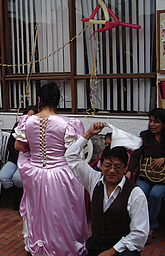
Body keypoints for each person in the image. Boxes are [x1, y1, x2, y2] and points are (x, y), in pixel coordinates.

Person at [14, 82, 88, 255]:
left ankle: (38, 244)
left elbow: (19, 146)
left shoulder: (28, 120)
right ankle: (60, 246)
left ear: (39, 99)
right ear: (57, 101)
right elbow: (72, 152)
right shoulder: (67, 123)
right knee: (60, 213)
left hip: (35, 173)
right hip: (60, 174)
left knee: (37, 211)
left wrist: (34, 150)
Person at [65, 122, 149, 255]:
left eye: (117, 166)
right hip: (97, 245)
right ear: (101, 165)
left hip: (122, 249)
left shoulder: (135, 193)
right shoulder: (94, 179)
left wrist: (111, 252)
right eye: (108, 165)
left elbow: (139, 234)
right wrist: (89, 134)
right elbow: (70, 156)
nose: (112, 170)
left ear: (125, 168)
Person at [126, 108, 165, 244]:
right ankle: (138, 226)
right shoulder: (144, 136)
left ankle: (151, 226)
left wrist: (163, 159)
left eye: (156, 122)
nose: (152, 124)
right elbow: (136, 155)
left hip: (162, 178)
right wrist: (129, 170)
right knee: (139, 193)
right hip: (146, 175)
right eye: (150, 121)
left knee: (155, 195)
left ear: (164, 124)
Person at [0, 105, 37, 210]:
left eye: (32, 116)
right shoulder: (18, 126)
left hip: (27, 161)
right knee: (3, 177)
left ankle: (23, 199)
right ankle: (18, 197)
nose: (29, 118)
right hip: (14, 159)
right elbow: (11, 146)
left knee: (17, 179)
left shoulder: (36, 130)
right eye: (27, 115)